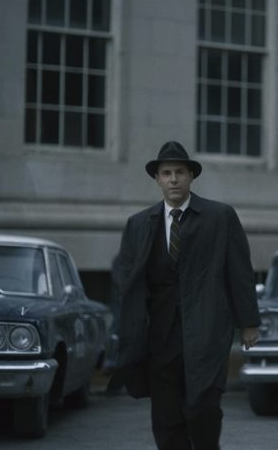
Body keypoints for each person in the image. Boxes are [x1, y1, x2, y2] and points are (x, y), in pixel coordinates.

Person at [113, 141, 261, 449]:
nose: (174, 179)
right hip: (159, 334)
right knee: (166, 415)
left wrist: (248, 322)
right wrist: (128, 330)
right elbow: (127, 282)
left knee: (203, 407)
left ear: (191, 176)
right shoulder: (139, 224)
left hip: (207, 329)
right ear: (157, 179)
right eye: (167, 173)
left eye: (180, 172)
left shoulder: (219, 217)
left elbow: (240, 272)